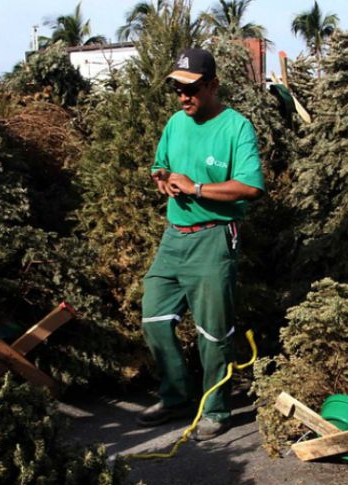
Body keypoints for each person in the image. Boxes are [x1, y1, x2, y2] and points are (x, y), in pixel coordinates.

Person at [136, 47, 265, 441]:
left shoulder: (236, 128)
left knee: (213, 333)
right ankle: (176, 396)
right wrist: (163, 179)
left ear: (212, 85)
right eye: (177, 89)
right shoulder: (175, 123)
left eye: (191, 89)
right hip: (173, 238)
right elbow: (160, 165)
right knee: (153, 318)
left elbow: (250, 187)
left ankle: (216, 409)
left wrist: (197, 187)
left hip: (214, 237)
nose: (183, 97)